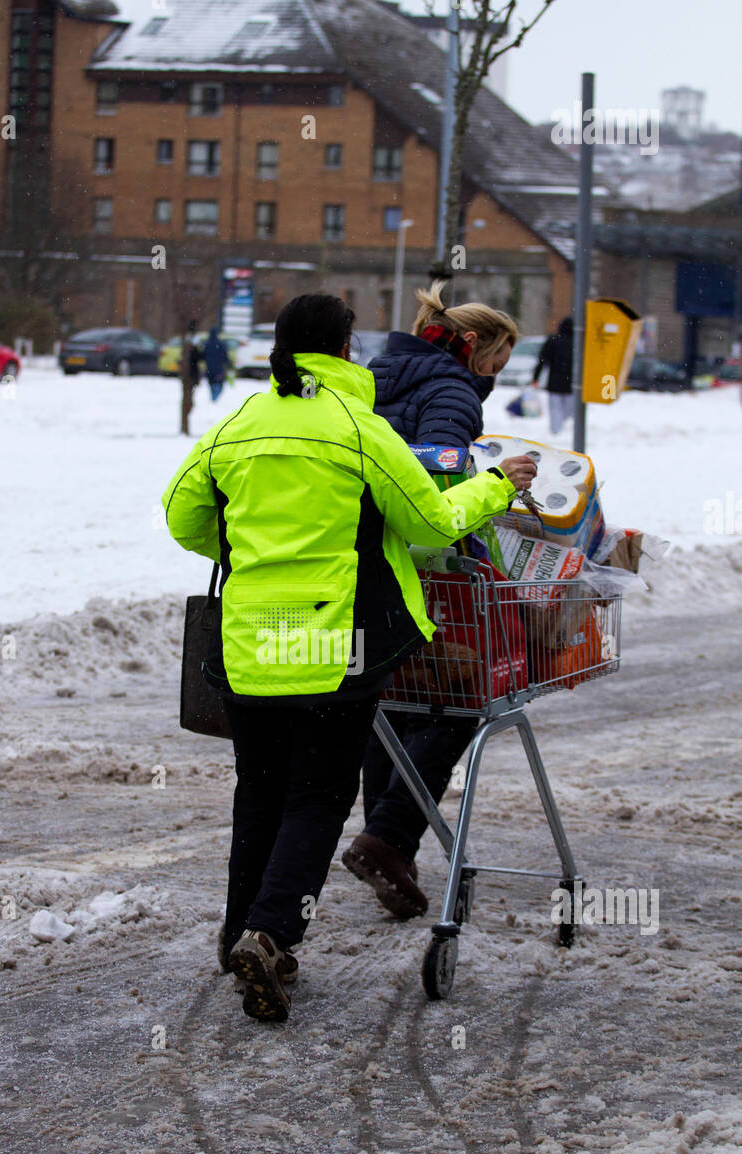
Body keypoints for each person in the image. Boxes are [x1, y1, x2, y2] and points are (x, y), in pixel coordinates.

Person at [162, 293, 536, 1023]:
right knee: (319, 797)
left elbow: (183, 518)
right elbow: (430, 516)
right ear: (342, 350)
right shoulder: (358, 432)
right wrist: (495, 488)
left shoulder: (236, 425)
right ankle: (270, 935)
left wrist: (257, 557)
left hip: (248, 642)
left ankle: (240, 930)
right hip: (336, 642)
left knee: (260, 793)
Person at [343, 283, 530, 919]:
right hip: (429, 569)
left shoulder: (377, 374)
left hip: (368, 563)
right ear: (472, 344)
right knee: (457, 703)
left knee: (389, 699)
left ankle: (388, 848)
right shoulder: (451, 389)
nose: (496, 378)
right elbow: (435, 478)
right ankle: (390, 838)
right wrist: (498, 487)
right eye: (496, 363)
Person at [531, 315, 574, 435]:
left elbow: (542, 361)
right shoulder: (578, 344)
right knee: (569, 410)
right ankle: (565, 431)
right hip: (572, 383)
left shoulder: (553, 341)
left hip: (555, 381)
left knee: (555, 409)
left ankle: (556, 432)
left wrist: (536, 378)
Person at [202, 327, 230, 402]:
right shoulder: (220, 344)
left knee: (211, 383)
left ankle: (213, 397)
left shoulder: (206, 344)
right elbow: (225, 356)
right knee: (218, 383)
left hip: (209, 368)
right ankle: (215, 398)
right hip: (219, 368)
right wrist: (228, 364)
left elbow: (203, 356)